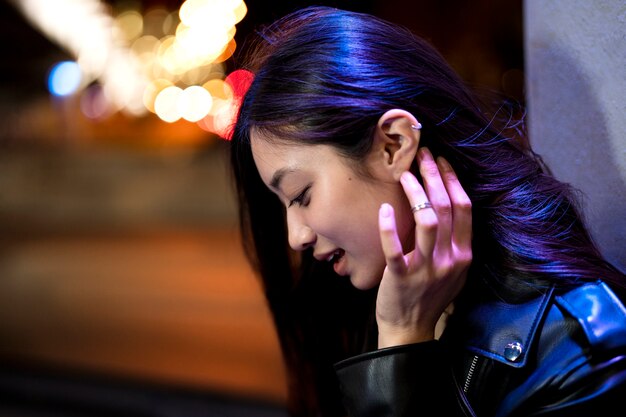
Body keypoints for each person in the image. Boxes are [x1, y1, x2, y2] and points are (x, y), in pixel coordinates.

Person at [228, 6, 626, 417]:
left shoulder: (576, 353)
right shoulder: (365, 305)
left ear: (393, 145)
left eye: (300, 194)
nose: (295, 236)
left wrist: (403, 339)